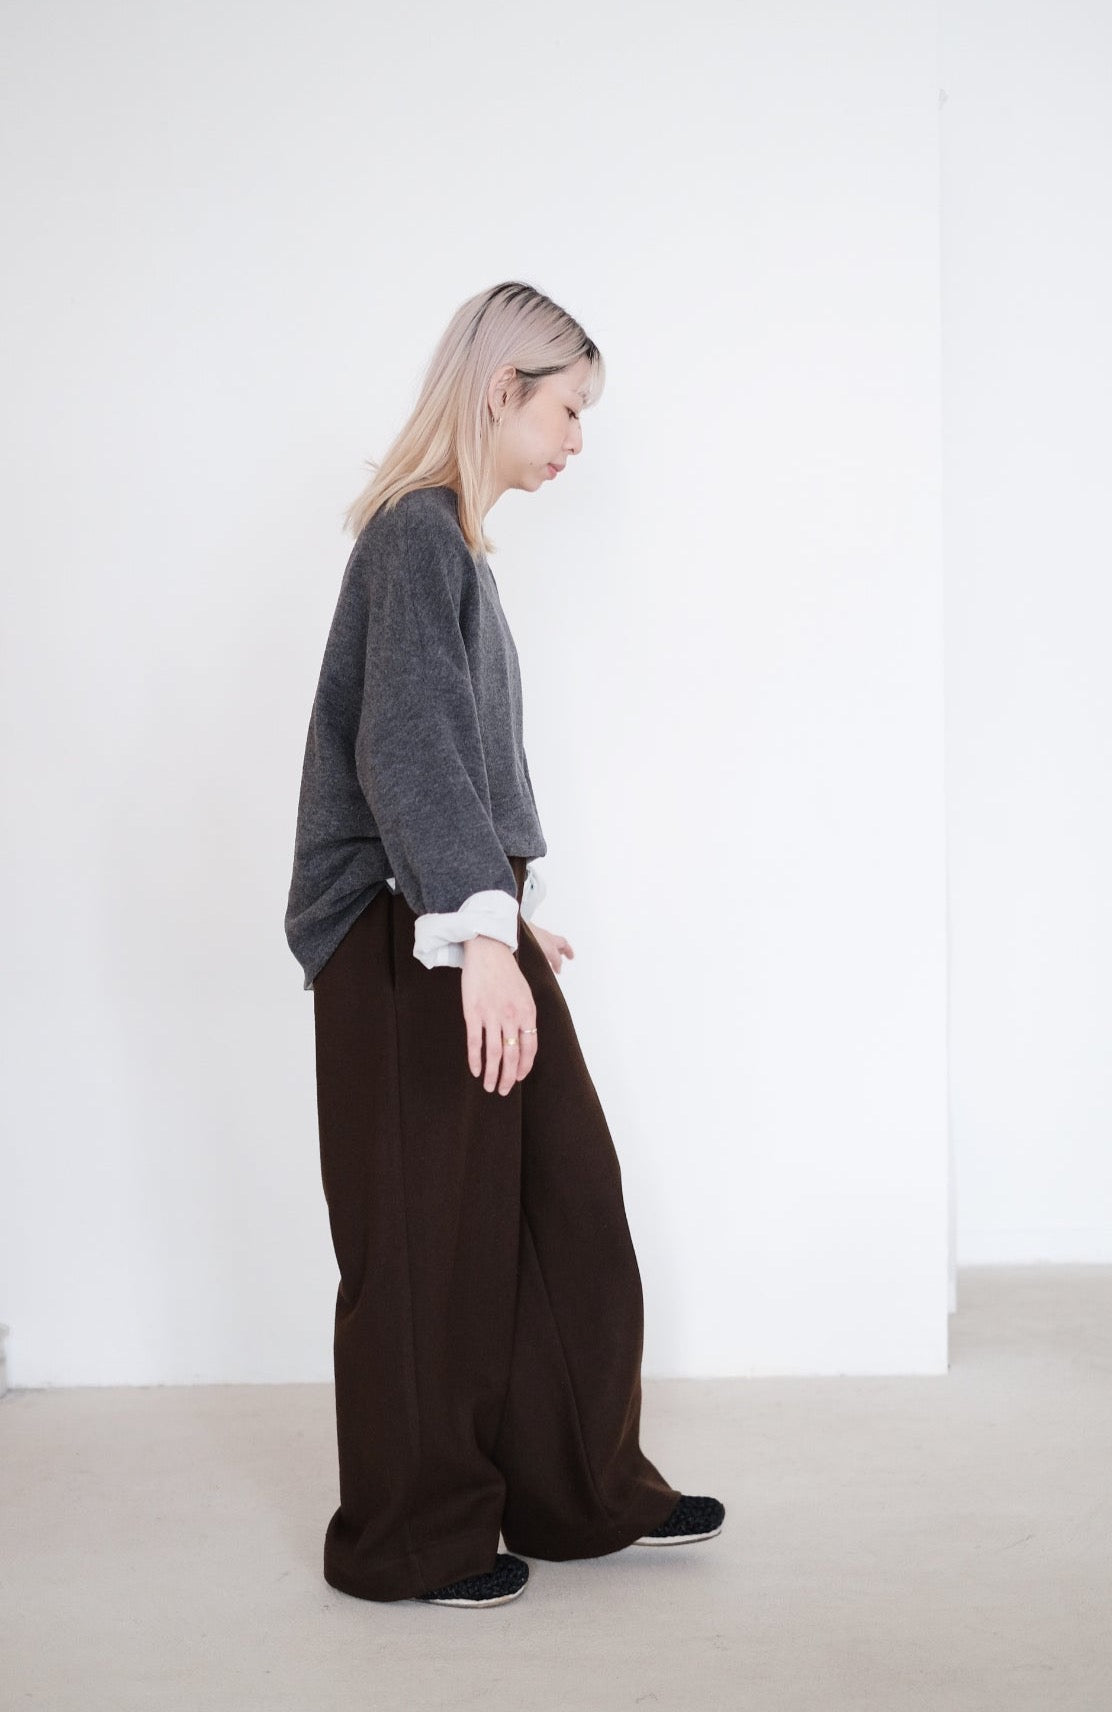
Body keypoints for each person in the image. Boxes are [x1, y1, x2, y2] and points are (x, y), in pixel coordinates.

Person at [284, 280, 724, 1609]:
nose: (578, 439)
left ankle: (572, 1491)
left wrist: (503, 915)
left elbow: (437, 762)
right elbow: (405, 746)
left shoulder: (452, 548)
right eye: (567, 408)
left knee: (559, 1210)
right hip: (401, 936)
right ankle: (416, 1541)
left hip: (454, 912)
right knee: (429, 1246)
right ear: (500, 390)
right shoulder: (413, 536)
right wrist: (474, 932)